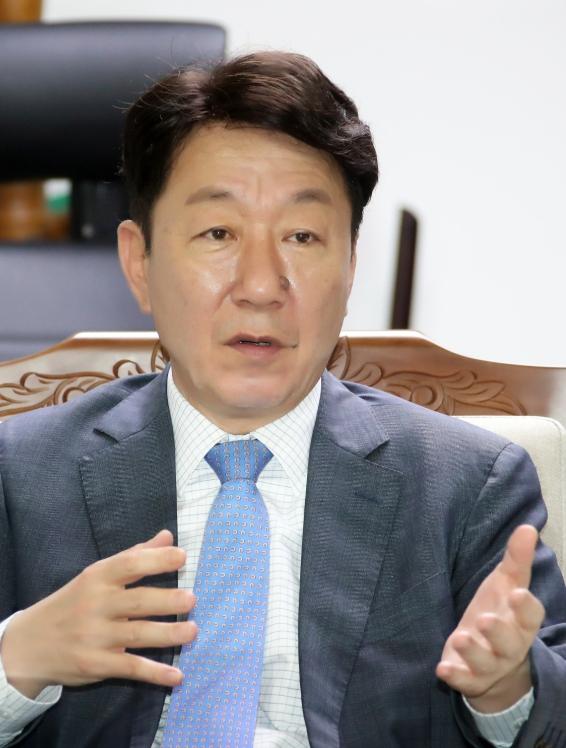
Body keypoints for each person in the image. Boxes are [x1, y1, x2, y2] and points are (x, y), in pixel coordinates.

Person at [0, 51, 565, 748]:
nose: (262, 286)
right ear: (139, 263)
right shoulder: (20, 475)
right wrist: (16, 660)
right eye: (218, 233)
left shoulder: (466, 487)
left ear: (350, 265)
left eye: (301, 236)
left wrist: (506, 690)